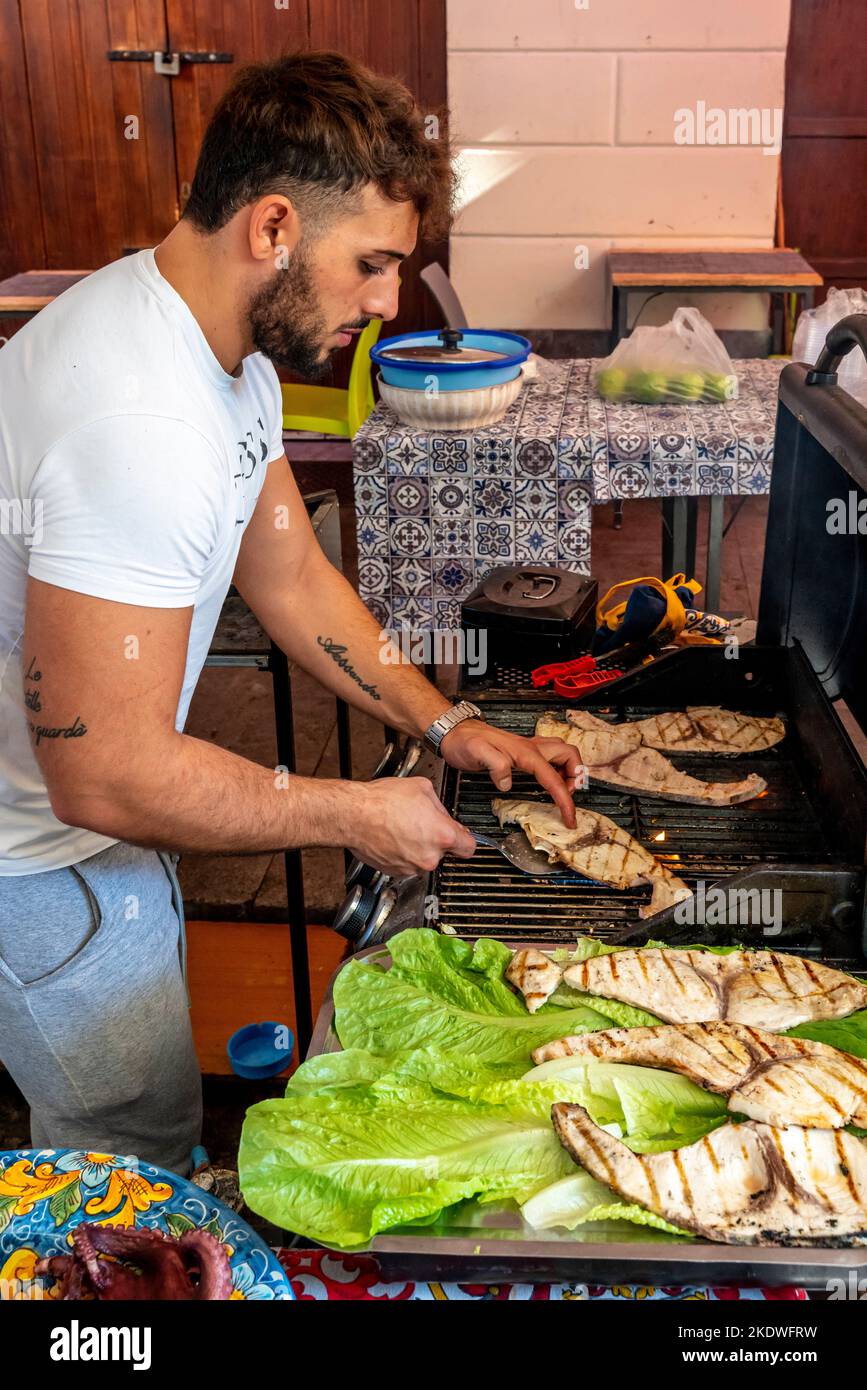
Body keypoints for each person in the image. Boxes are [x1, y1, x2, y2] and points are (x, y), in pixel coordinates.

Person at [0, 52, 582, 1173]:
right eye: (371, 264)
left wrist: (443, 725)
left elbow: (292, 575)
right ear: (272, 225)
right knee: (133, 1161)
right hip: (34, 853)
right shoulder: (138, 423)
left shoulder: (223, 356)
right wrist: (358, 813)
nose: (386, 301)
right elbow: (107, 773)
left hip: (87, 830)